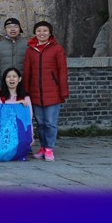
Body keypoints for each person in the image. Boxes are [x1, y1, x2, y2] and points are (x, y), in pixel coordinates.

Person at [23, 21, 68, 161]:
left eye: (45, 31)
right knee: (40, 123)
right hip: (35, 92)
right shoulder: (30, 50)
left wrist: (63, 92)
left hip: (53, 92)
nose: (42, 33)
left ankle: (49, 148)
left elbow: (62, 71)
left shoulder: (57, 49)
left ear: (50, 33)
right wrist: (25, 91)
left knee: (50, 123)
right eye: (39, 31)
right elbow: (27, 72)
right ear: (35, 33)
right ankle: (43, 147)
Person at [0, 18, 27, 93]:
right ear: (5, 29)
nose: (12, 29)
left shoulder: (27, 45)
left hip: (23, 85)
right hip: (4, 86)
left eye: (15, 26)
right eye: (9, 27)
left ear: (20, 28)